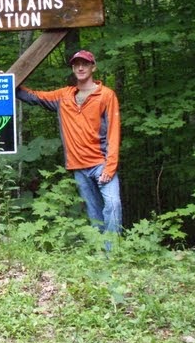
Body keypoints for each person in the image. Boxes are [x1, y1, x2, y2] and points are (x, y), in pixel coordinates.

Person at [16, 50, 123, 237]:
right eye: (76, 64)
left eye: (85, 64)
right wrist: (7, 82)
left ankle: (113, 252)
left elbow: (114, 131)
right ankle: (101, 254)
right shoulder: (64, 96)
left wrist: (110, 166)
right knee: (94, 212)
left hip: (102, 164)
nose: (81, 67)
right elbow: (33, 96)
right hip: (78, 166)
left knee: (113, 205)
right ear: (73, 68)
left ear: (93, 67)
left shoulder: (106, 95)